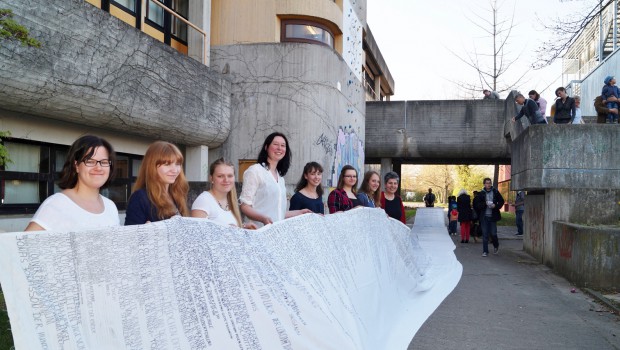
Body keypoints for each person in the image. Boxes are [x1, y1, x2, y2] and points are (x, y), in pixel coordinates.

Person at [25, 135, 119, 231]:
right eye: (90, 161)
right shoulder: (57, 204)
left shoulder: (111, 207)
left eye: (104, 162)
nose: (98, 168)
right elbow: (23, 244)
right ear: (76, 166)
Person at [239, 132, 311, 226]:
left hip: (276, 234)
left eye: (283, 145)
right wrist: (263, 218)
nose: (279, 148)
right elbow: (244, 206)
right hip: (258, 231)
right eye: (275, 144)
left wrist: (301, 212)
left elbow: (279, 213)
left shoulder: (280, 178)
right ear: (266, 147)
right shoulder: (255, 171)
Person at [125, 141, 189, 225]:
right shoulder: (140, 198)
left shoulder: (176, 194)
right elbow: (130, 235)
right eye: (167, 164)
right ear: (152, 166)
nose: (175, 170)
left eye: (178, 164)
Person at [191, 158, 256, 229]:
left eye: (230, 176)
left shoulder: (231, 201)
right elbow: (197, 236)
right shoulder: (203, 201)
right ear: (211, 178)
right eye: (220, 176)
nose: (226, 180)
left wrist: (242, 227)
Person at [473, 178, 505, 257]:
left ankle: (496, 245)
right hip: (484, 217)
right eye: (487, 183)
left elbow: (501, 201)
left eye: (489, 183)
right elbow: (477, 205)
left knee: (493, 233)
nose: (488, 185)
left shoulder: (495, 192)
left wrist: (495, 206)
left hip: (493, 217)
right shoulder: (481, 193)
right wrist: (485, 203)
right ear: (484, 184)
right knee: (485, 234)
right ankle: (485, 251)